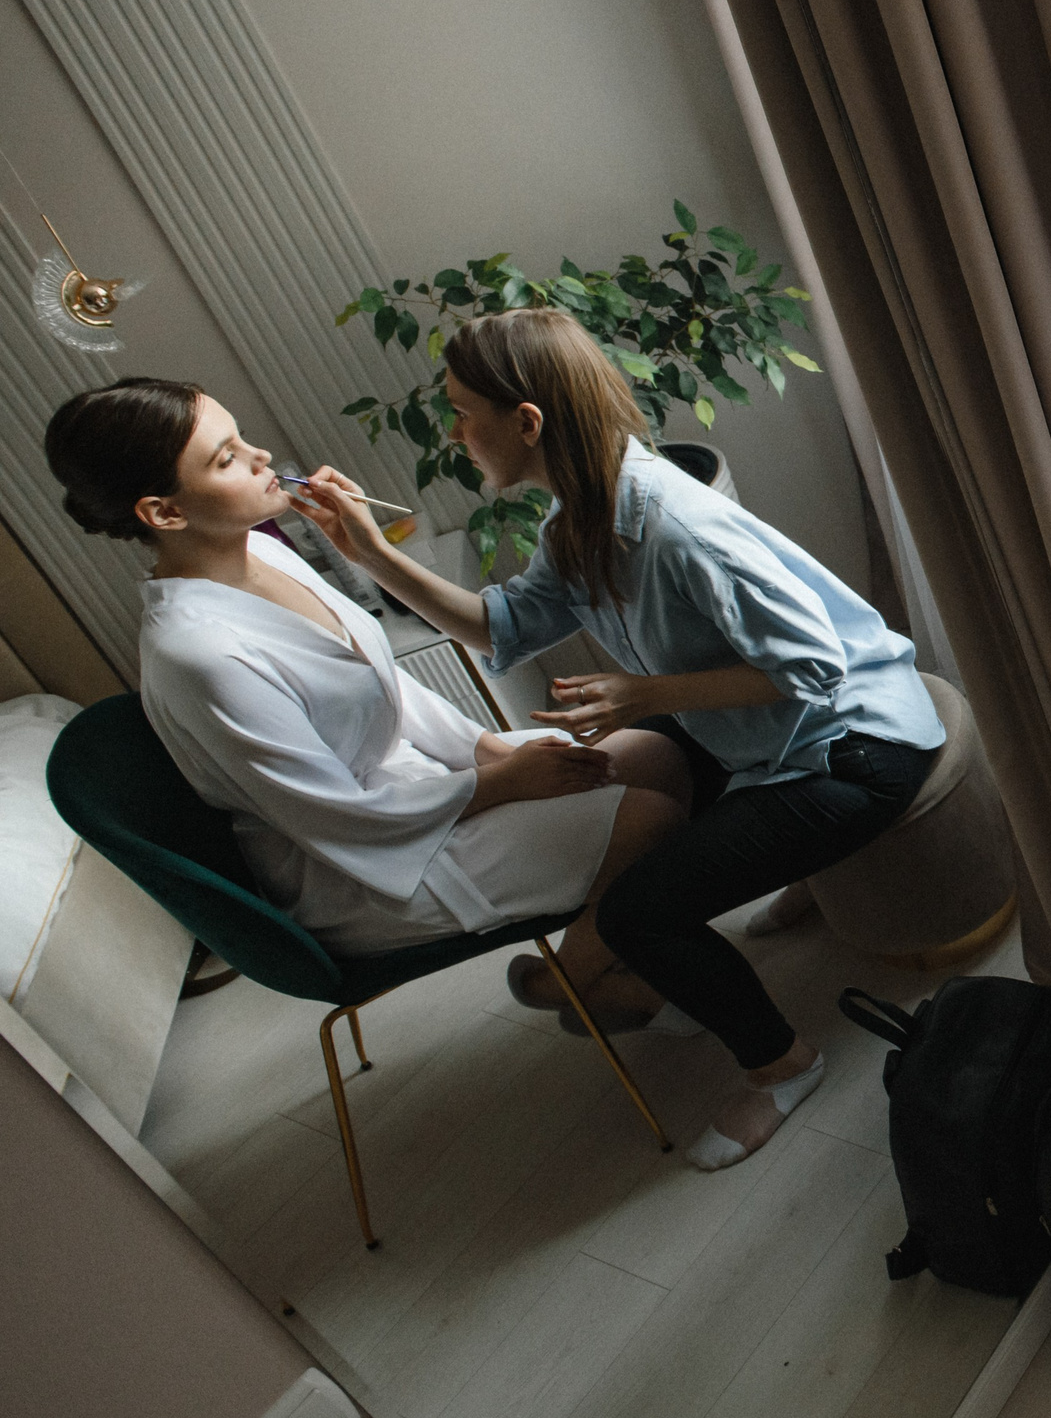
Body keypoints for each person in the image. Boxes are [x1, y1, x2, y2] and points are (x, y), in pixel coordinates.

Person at [292, 307, 945, 1172]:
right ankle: (637, 971)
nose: (455, 434)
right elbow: (502, 628)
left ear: (526, 422)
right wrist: (369, 553)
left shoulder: (677, 530)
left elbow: (814, 668)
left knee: (645, 907)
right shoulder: (582, 520)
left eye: (462, 412)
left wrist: (646, 692)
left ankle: (782, 1064)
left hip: (856, 744)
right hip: (767, 732)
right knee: (624, 768)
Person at [44, 378, 689, 996]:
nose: (261, 456)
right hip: (362, 864)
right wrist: (502, 783)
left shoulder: (264, 552)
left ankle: (626, 976)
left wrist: (488, 752)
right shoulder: (199, 653)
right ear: (163, 511)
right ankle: (570, 979)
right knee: (650, 819)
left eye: (242, 439)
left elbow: (388, 690)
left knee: (657, 758)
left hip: (418, 789)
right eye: (227, 459)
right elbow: (333, 817)